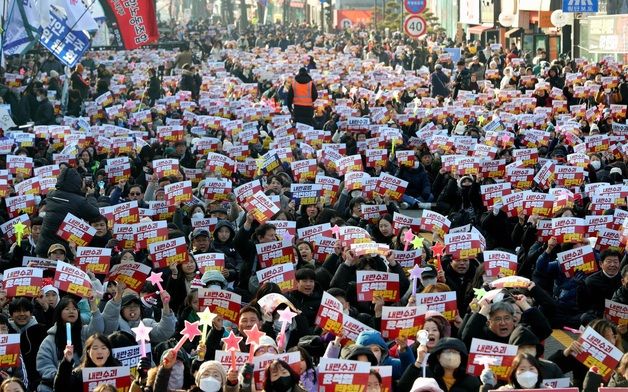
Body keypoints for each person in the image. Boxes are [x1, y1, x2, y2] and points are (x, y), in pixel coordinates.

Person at [36, 296, 104, 392]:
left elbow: (98, 329)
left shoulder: (84, 332)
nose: (71, 311)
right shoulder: (49, 341)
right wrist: (63, 376)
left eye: (74, 309)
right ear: (59, 313)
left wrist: (93, 305)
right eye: (67, 309)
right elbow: (44, 366)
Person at [35, 167, 101, 258]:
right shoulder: (79, 202)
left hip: (44, 248)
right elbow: (95, 214)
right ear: (77, 183)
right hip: (64, 251)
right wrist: (90, 196)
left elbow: (69, 199)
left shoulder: (51, 195)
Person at [400, 337, 480, 392]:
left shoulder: (471, 380)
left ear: (461, 358)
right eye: (447, 352)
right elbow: (402, 388)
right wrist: (419, 361)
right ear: (438, 356)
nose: (451, 356)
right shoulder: (425, 374)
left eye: (455, 352)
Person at [52, 333, 121, 390]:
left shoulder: (120, 371)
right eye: (95, 348)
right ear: (88, 352)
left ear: (108, 352)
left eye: (103, 348)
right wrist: (66, 362)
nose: (99, 352)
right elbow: (60, 388)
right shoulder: (79, 375)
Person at [480, 353, 545, 390]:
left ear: (538, 371)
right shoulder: (504, 390)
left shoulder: (548, 390)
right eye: (522, 369)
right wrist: (487, 386)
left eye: (531, 369)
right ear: (514, 373)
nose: (527, 373)